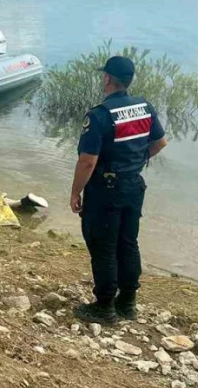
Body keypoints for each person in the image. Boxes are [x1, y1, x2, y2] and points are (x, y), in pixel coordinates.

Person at [70, 56, 168, 324]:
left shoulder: (99, 115)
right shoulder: (144, 107)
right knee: (128, 243)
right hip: (134, 185)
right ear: (130, 80)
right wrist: (134, 161)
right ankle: (128, 303)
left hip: (106, 189)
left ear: (107, 79)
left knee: (103, 246)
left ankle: (104, 308)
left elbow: (88, 161)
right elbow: (160, 143)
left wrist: (75, 192)